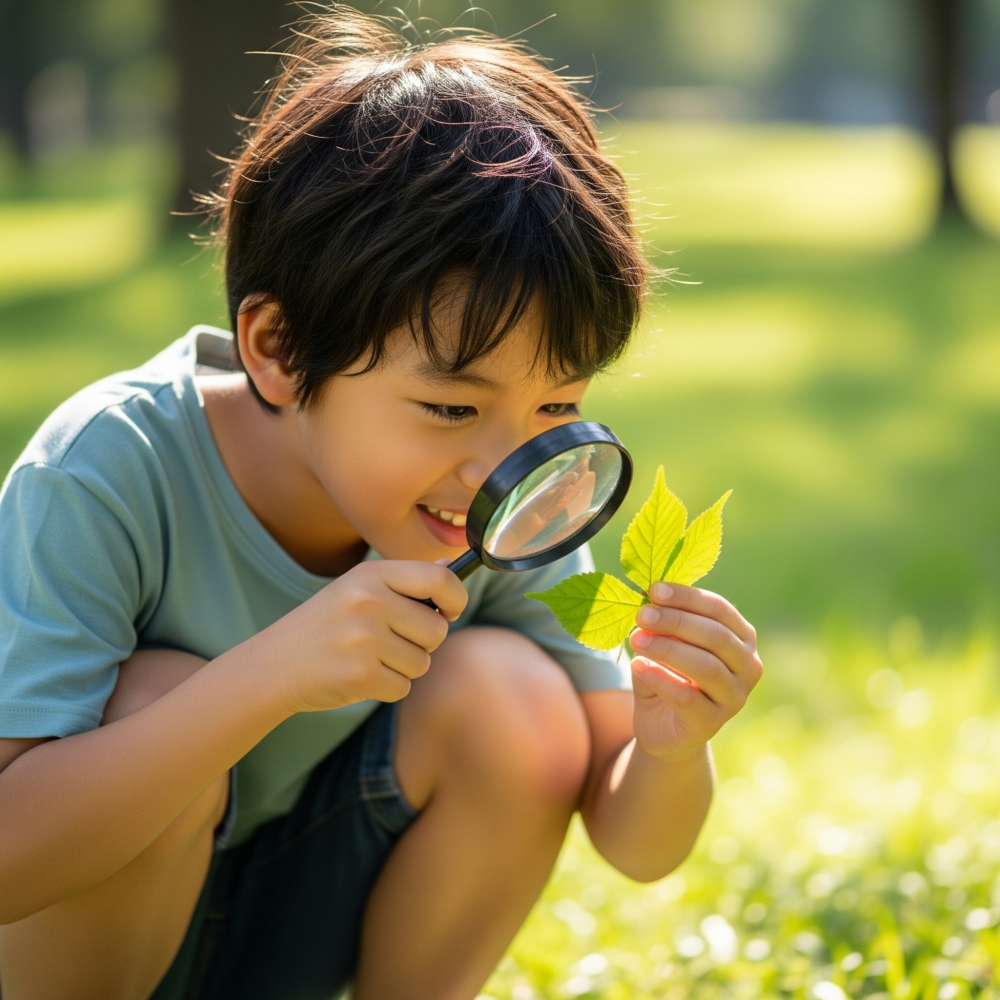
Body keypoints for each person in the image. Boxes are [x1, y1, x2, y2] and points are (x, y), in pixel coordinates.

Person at [0, 8, 763, 999]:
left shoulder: (514, 507)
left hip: (288, 928)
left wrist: (671, 745)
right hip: (85, 932)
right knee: (153, 693)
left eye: (559, 403)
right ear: (278, 350)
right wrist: (268, 673)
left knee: (517, 697)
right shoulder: (110, 468)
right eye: (450, 404)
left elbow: (638, 845)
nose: (503, 461)